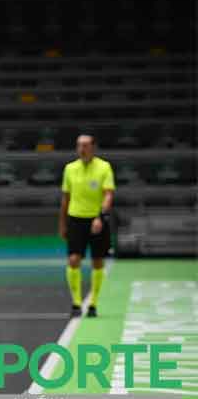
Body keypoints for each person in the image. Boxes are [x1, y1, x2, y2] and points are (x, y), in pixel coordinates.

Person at [59, 135, 115, 318]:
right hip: (76, 219)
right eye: (79, 146)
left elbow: (108, 195)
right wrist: (62, 223)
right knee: (74, 259)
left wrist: (101, 216)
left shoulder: (104, 167)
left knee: (97, 261)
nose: (81, 149)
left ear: (93, 147)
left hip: (97, 220)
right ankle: (76, 303)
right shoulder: (70, 169)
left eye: (85, 145)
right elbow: (65, 198)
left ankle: (93, 303)